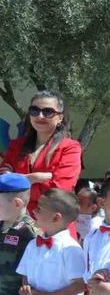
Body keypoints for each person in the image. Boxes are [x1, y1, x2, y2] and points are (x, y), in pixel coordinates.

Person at [0, 91, 82, 219]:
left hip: (52, 223)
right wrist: (34, 178)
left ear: (60, 118)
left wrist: (17, 181)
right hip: (16, 222)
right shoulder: (16, 146)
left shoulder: (70, 148)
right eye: (34, 111)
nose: (40, 116)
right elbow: (3, 182)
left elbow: (59, 192)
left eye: (48, 112)